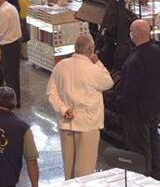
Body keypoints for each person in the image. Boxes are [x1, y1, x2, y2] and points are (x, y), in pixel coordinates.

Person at [47, 34, 114, 179]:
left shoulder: (61, 66)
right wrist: (98, 63)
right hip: (87, 124)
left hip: (66, 121)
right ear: (90, 49)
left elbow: (51, 92)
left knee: (69, 168)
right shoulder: (93, 69)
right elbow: (109, 82)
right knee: (84, 171)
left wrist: (63, 109)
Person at [118, 19, 160, 179]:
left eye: (131, 31)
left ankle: (143, 177)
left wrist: (121, 105)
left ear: (135, 35)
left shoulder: (134, 60)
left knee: (140, 146)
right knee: (153, 141)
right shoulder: (157, 51)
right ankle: (157, 174)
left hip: (137, 110)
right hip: (153, 105)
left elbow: (129, 89)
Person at [0, 0, 23, 104]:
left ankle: (12, 101)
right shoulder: (10, 7)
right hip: (14, 44)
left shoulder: (3, 11)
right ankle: (15, 100)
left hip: (8, 46)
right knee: (13, 75)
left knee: (10, 76)